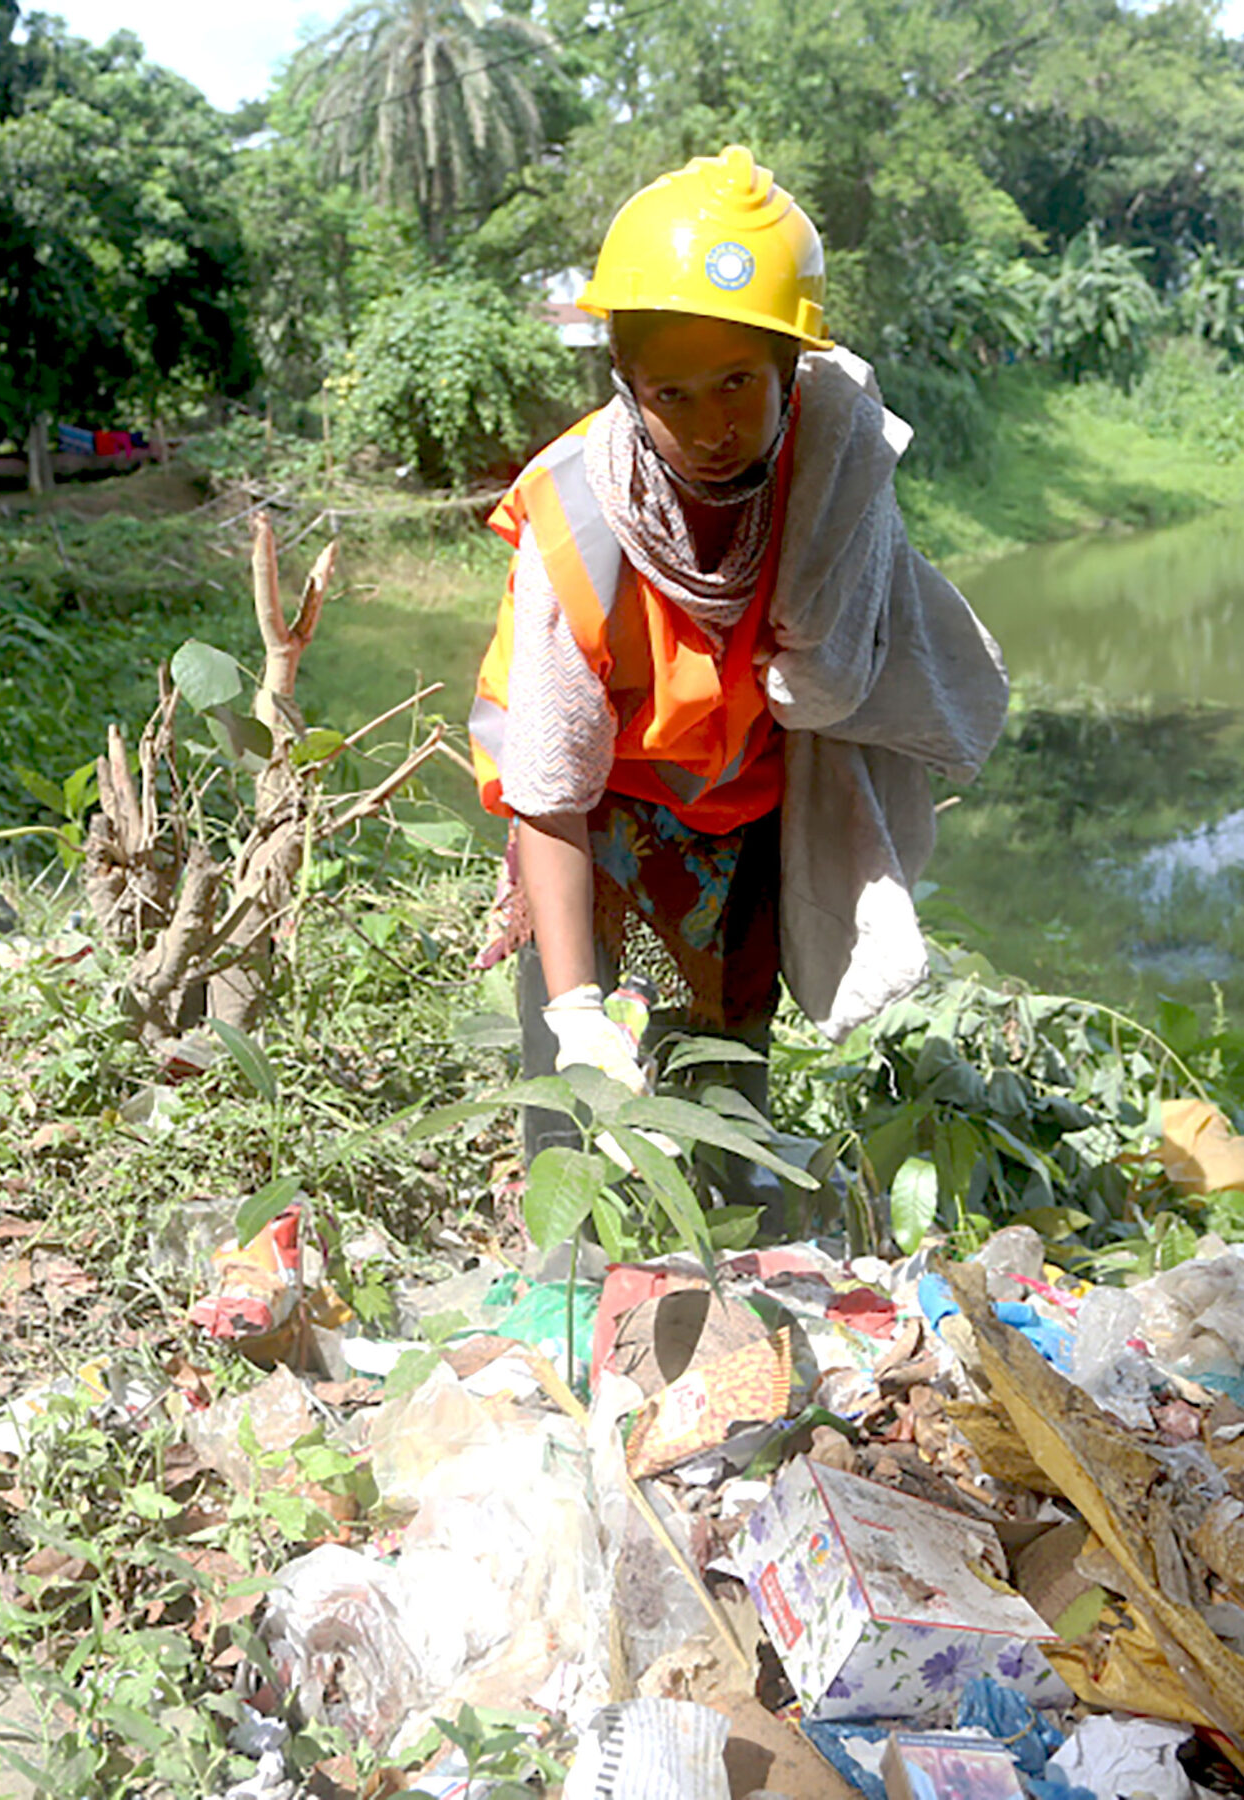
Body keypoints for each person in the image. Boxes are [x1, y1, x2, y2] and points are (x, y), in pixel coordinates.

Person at [470, 146, 1010, 1188]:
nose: (711, 426)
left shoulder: (831, 485)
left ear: (789, 373)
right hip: (600, 816)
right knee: (575, 1076)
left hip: (748, 810)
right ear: (626, 387)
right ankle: (569, 1266)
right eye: (671, 393)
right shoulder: (575, 527)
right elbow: (545, 787)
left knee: (726, 1068)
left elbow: (855, 654)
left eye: (736, 385)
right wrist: (580, 1010)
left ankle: (728, 1234)